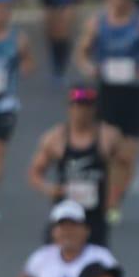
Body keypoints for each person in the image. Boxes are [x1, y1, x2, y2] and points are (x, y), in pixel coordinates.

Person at [73, 0, 139, 215]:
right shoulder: (97, 22)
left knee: (128, 157)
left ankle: (115, 199)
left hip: (133, 94)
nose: (120, 1)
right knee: (106, 146)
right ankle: (103, 195)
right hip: (107, 93)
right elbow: (82, 51)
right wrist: (89, 67)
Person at [28, 86, 111, 248]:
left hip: (94, 215)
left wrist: (114, 196)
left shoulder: (107, 137)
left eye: (87, 106)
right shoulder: (55, 138)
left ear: (94, 109)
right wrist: (49, 189)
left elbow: (125, 164)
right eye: (78, 106)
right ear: (70, 108)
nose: (82, 112)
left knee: (96, 267)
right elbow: (34, 172)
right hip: (64, 214)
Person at [0, 0, 33, 189]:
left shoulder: (18, 38)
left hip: (5, 104)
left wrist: (24, 64)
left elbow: (29, 64)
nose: (1, 13)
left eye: (5, 9)